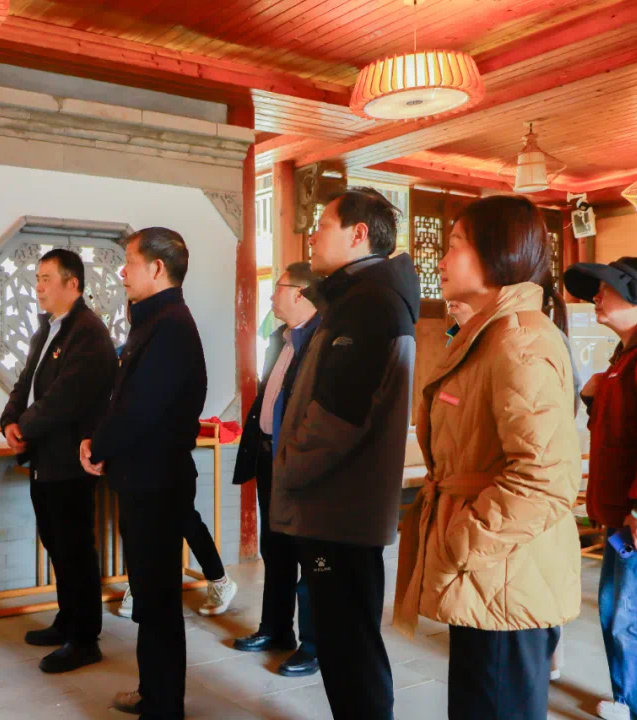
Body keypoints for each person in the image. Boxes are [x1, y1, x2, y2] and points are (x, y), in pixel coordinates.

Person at [394, 194, 582, 720]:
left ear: (499, 256)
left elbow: (544, 479)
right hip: (492, 571)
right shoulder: (489, 333)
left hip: (503, 569)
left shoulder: (517, 342)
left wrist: (462, 541)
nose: (441, 259)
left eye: (455, 245)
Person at [271, 187, 420, 719]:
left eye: (322, 226)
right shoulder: (357, 297)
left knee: (350, 648)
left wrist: (287, 468)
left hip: (341, 507)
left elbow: (336, 418)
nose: (311, 236)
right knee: (345, 643)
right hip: (340, 506)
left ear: (358, 235)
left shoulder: (369, 304)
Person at [80, 227, 205, 720]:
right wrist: (99, 440)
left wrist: (99, 446)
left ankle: (164, 705)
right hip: (142, 477)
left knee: (158, 600)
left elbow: (140, 408)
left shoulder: (171, 325)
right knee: (150, 598)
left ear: (157, 268)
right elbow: (123, 399)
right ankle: (153, 692)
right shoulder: (153, 320)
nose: (121, 272)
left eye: (129, 262)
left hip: (157, 481)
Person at [563, 257, 637, 720]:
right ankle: (631, 702)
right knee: (617, 613)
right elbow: (619, 432)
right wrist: (594, 398)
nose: (596, 297)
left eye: (606, 289)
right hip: (624, 516)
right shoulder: (628, 352)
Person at [0, 249, 117, 674]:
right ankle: (67, 621)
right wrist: (9, 421)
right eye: (37, 278)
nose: (38, 287)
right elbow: (25, 383)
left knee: (75, 549)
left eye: (46, 278)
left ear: (73, 284)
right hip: (43, 457)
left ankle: (85, 639)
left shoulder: (88, 332)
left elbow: (65, 398)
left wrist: (25, 427)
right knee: (56, 544)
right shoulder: (47, 329)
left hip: (71, 459)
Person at [113, 303, 237, 621]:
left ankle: (220, 580)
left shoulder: (173, 335)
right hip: (131, 459)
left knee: (184, 520)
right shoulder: (124, 352)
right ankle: (138, 585)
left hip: (168, 458)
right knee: (133, 525)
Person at [232, 261, 321, 677]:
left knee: (308, 554)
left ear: (299, 293)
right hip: (270, 457)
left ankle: (313, 645)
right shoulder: (280, 339)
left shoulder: (319, 340)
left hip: (300, 464)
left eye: (278, 288)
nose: (271, 296)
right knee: (275, 548)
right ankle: (275, 628)